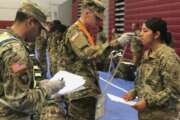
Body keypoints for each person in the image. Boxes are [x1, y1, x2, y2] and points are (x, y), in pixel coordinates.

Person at [0, 1, 64, 120]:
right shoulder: (16, 52)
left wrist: (38, 84)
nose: (40, 34)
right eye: (40, 28)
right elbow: (20, 101)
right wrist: (47, 89)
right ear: (30, 22)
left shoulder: (3, 37)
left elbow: (7, 81)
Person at [57, 0, 109, 120]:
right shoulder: (75, 31)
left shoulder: (86, 32)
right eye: (97, 18)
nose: (99, 22)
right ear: (86, 13)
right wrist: (114, 43)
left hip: (85, 90)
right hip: (78, 92)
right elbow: (87, 54)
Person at [122, 17, 180, 120]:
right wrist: (134, 91)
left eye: (145, 31)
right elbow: (145, 81)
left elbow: (174, 91)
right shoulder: (147, 54)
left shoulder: (168, 57)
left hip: (164, 116)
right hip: (147, 115)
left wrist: (148, 102)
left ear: (156, 34)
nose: (140, 34)